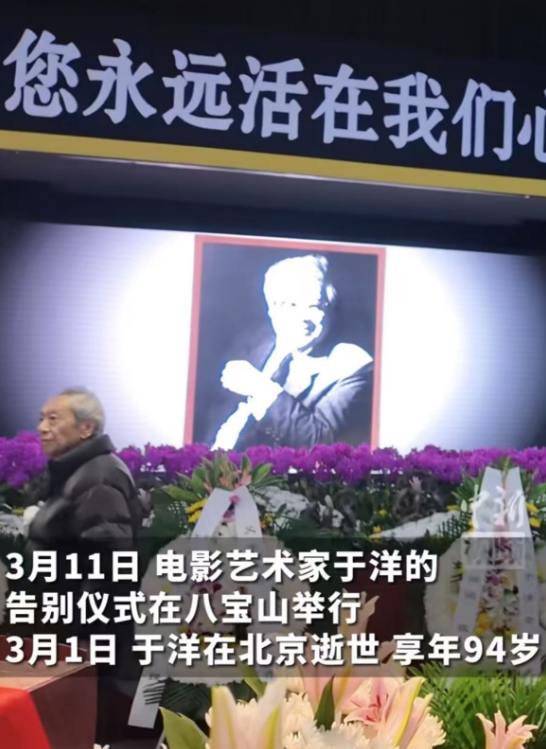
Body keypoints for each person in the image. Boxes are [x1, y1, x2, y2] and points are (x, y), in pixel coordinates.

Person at [26, 387, 143, 744]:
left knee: (82, 729)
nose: (43, 427)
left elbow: (109, 564)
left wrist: (85, 640)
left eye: (54, 419)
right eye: (41, 418)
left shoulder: (99, 476)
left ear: (86, 428)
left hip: (85, 638)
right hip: (67, 629)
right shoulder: (79, 471)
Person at [212, 254, 374, 451]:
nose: (301, 317)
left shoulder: (352, 364)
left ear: (330, 308)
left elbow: (321, 442)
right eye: (290, 305)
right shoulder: (255, 347)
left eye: (313, 306)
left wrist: (261, 389)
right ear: (271, 309)